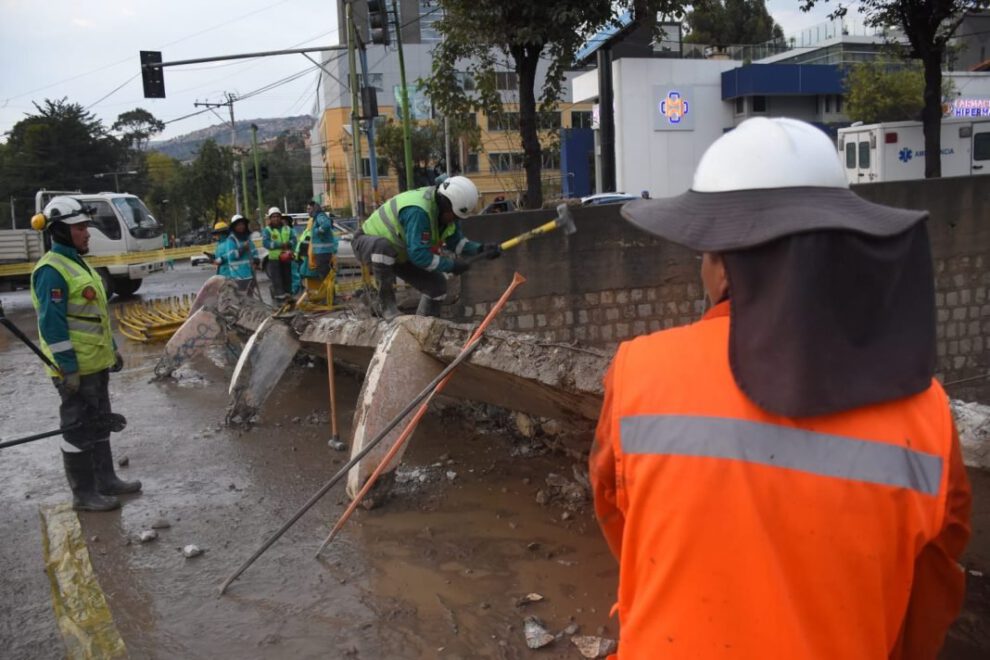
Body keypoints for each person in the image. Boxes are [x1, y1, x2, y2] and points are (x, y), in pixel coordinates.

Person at [591, 117, 971, 658]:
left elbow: (619, 517)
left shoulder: (639, 373)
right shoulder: (925, 411)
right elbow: (931, 586)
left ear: (724, 268)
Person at [30, 196, 142, 512]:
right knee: (77, 428)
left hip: (95, 363)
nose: (86, 232)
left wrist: (112, 351)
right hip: (75, 369)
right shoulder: (51, 270)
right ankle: (84, 494)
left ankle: (106, 480)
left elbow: (94, 316)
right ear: (61, 231)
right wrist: (68, 368)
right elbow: (52, 325)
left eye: (85, 227)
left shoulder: (79, 263)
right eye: (79, 227)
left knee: (100, 422)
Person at [352, 175, 499, 320]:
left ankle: (423, 326)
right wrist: (451, 265)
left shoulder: (447, 215)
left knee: (437, 286)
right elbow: (419, 255)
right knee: (382, 247)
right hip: (366, 244)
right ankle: (387, 307)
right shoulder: (419, 212)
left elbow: (457, 243)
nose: (455, 221)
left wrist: (481, 249)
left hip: (400, 254)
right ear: (446, 205)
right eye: (454, 216)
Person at [215, 214, 258, 292]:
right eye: (238, 225)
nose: (241, 227)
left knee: (250, 295)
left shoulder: (247, 238)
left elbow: (254, 250)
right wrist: (242, 249)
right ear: (234, 227)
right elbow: (231, 256)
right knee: (240, 296)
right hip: (237, 274)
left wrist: (256, 260)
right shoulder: (231, 240)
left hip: (249, 273)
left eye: (242, 224)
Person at [262, 206, 294, 301]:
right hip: (274, 260)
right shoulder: (267, 230)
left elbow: (294, 239)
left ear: (280, 217)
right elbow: (266, 243)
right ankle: (280, 300)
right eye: (273, 217)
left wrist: (289, 244)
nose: (276, 218)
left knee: (287, 279)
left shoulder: (287, 228)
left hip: (286, 258)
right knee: (277, 280)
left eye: (277, 216)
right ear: (270, 218)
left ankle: (288, 298)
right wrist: (279, 245)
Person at [305, 199, 338, 281]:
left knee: (324, 276)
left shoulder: (320, 216)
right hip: (321, 252)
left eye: (309, 209)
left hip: (323, 252)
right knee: (325, 275)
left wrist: (317, 231)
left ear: (314, 208)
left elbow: (326, 224)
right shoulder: (316, 218)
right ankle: (329, 289)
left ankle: (328, 289)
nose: (307, 211)